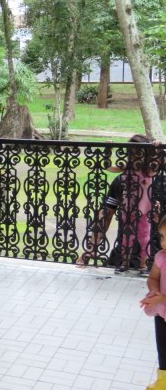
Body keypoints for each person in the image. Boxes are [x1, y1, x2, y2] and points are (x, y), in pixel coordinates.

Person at [77, 135, 165, 274]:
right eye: (131, 152)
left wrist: (159, 149)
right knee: (127, 236)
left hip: (146, 218)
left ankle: (143, 263)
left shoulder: (152, 172)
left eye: (138, 152)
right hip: (127, 215)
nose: (134, 156)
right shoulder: (124, 175)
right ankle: (128, 261)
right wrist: (108, 151)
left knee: (144, 235)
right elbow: (106, 213)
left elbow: (161, 163)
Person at [140, 216, 166, 389]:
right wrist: (154, 291)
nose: (164, 243)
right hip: (162, 313)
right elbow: (153, 278)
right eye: (163, 237)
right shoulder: (161, 257)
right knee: (163, 350)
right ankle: (163, 381)